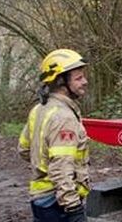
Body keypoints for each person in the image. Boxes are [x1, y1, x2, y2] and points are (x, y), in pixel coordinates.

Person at [19, 48, 91, 222]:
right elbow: (61, 166)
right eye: (78, 78)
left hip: (41, 199)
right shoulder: (63, 117)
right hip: (58, 202)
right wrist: (73, 208)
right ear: (60, 81)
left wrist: (43, 166)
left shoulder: (40, 109)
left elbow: (24, 149)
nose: (85, 81)